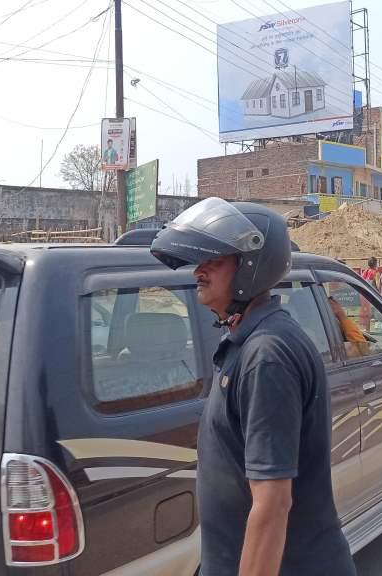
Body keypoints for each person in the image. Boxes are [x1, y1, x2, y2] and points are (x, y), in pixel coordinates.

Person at [150, 197, 355, 576]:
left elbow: (273, 503)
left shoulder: (267, 355)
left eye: (215, 260)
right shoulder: (247, 340)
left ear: (250, 267)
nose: (199, 270)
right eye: (200, 260)